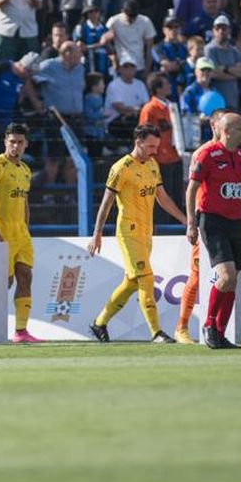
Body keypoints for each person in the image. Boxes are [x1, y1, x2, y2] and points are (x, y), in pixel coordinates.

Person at [85, 124, 188, 344]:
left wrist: (184, 219)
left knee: (132, 282)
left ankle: (100, 322)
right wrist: (97, 233)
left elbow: (162, 197)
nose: (154, 151)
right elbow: (106, 202)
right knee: (145, 278)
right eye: (150, 146)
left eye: (156, 146)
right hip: (128, 232)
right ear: (138, 142)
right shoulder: (121, 168)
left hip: (146, 232)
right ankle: (156, 332)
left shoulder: (152, 164)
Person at [185, 113, 241, 349]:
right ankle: (209, 324)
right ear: (226, 131)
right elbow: (191, 190)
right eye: (240, 128)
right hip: (212, 221)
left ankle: (219, 333)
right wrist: (191, 223)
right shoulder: (207, 154)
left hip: (235, 222)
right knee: (226, 276)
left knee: (233, 280)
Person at [0, 123, 41, 344]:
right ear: (5, 142)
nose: (15, 146)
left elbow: (24, 201)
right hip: (1, 233)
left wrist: (26, 227)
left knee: (25, 277)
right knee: (1, 283)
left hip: (21, 234)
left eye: (20, 142)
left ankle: (21, 332)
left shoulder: (25, 170)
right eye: (12, 141)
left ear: (26, 144)